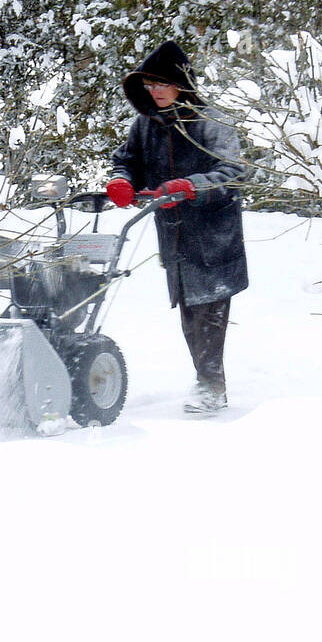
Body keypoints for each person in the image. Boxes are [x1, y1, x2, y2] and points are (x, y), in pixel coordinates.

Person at [105, 40, 248, 413]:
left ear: (181, 84)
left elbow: (231, 173)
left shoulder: (210, 121)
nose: (155, 93)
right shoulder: (146, 124)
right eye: (149, 87)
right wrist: (122, 181)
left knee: (209, 312)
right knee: (190, 314)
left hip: (213, 235)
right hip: (173, 232)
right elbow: (127, 160)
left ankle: (211, 386)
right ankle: (206, 379)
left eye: (161, 85)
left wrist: (190, 187)